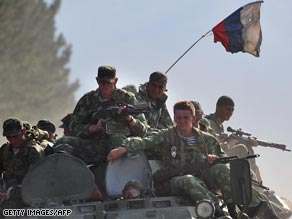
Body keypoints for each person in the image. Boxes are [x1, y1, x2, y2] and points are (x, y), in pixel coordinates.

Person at [107, 101, 239, 218]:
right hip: (173, 180)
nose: (182, 121)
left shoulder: (207, 139)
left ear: (193, 118)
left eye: (185, 118)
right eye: (178, 118)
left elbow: (223, 159)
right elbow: (146, 141)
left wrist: (214, 158)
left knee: (221, 168)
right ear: (174, 118)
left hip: (201, 177)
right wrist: (124, 148)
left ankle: (233, 210)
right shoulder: (167, 135)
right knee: (188, 180)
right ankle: (218, 212)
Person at [67, 65, 148, 198]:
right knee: (64, 143)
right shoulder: (88, 100)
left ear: (115, 81)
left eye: (108, 82)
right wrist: (93, 127)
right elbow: (74, 126)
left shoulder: (127, 98)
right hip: (94, 145)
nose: (104, 85)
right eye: (101, 82)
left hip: (120, 148)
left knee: (117, 138)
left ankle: (126, 189)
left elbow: (143, 130)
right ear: (97, 80)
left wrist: (129, 119)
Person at [205, 96, 262, 182]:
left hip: (219, 154)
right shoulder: (209, 123)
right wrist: (230, 143)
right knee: (242, 148)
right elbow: (211, 145)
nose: (230, 112)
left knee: (251, 157)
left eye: (232, 110)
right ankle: (252, 183)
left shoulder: (219, 126)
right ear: (218, 108)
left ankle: (259, 184)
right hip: (212, 156)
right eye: (227, 109)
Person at [0, 118, 43, 211]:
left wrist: (11, 192)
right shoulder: (4, 150)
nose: (12, 140)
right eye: (8, 137)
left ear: (23, 131)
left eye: (15, 136)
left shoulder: (33, 151)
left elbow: (38, 182)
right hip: (7, 196)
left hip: (29, 198)